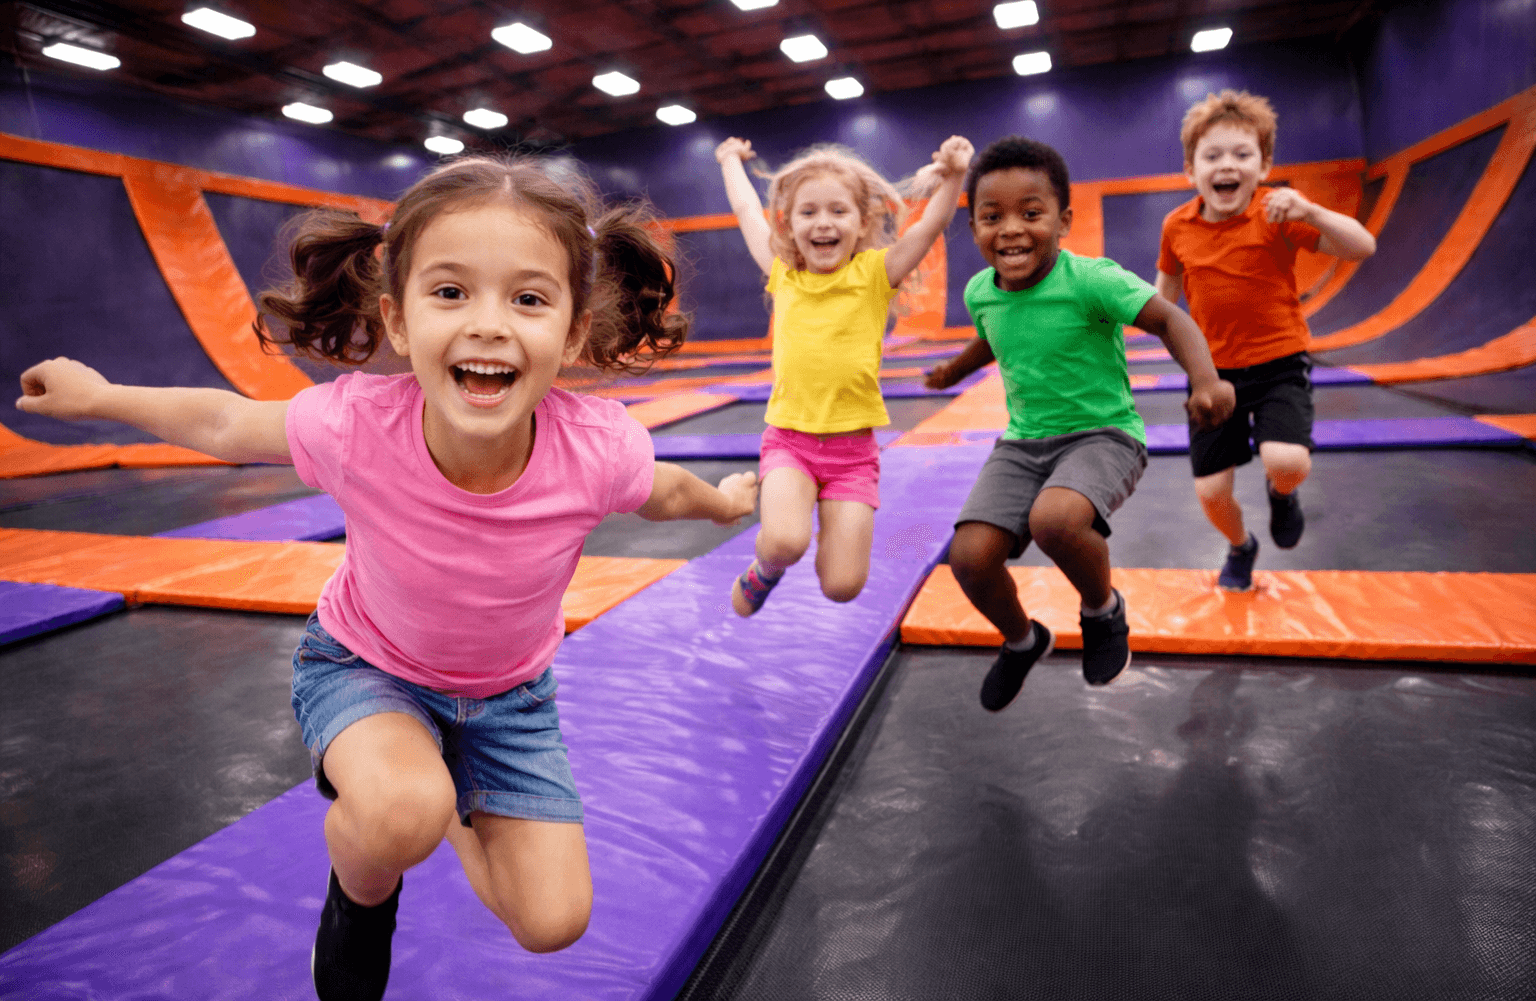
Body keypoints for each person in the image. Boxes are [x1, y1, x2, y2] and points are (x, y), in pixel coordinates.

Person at [15, 156, 759, 1001]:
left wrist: (724, 504)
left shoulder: (599, 447)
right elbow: (225, 419)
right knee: (398, 812)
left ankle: (434, 795)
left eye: (528, 298)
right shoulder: (359, 424)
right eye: (451, 293)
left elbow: (663, 491)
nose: (488, 325)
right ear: (398, 322)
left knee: (553, 923)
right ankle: (365, 889)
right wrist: (103, 396)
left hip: (510, 700)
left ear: (575, 330)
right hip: (366, 670)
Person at [925, 136, 1234, 711]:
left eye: (1031, 214)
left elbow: (1170, 319)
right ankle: (1022, 640)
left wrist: (1207, 380)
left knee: (1056, 520)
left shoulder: (1092, 280)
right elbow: (991, 338)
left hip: (1103, 435)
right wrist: (953, 370)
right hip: (1023, 445)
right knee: (968, 558)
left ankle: (1101, 610)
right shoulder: (979, 292)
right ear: (974, 230)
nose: (1011, 229)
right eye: (992, 217)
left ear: (1064, 220)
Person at [715, 133, 974, 617]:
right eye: (808, 212)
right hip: (791, 440)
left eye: (838, 211)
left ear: (863, 223)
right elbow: (747, 211)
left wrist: (956, 174)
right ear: (789, 227)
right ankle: (765, 570)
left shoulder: (876, 273)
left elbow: (929, 226)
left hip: (852, 455)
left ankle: (820, 542)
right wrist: (730, 160)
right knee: (785, 542)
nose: (823, 223)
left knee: (842, 586)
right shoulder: (783, 274)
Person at [1155, 90, 1376, 590]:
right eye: (1212, 156)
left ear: (1264, 164)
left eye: (1241, 154)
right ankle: (1240, 545)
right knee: (1211, 492)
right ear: (1191, 170)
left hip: (1279, 362)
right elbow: (1164, 294)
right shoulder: (1177, 226)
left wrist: (1311, 211)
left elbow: (1363, 245)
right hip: (1211, 374)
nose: (1226, 166)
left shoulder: (1277, 213)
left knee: (1287, 461)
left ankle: (1282, 494)